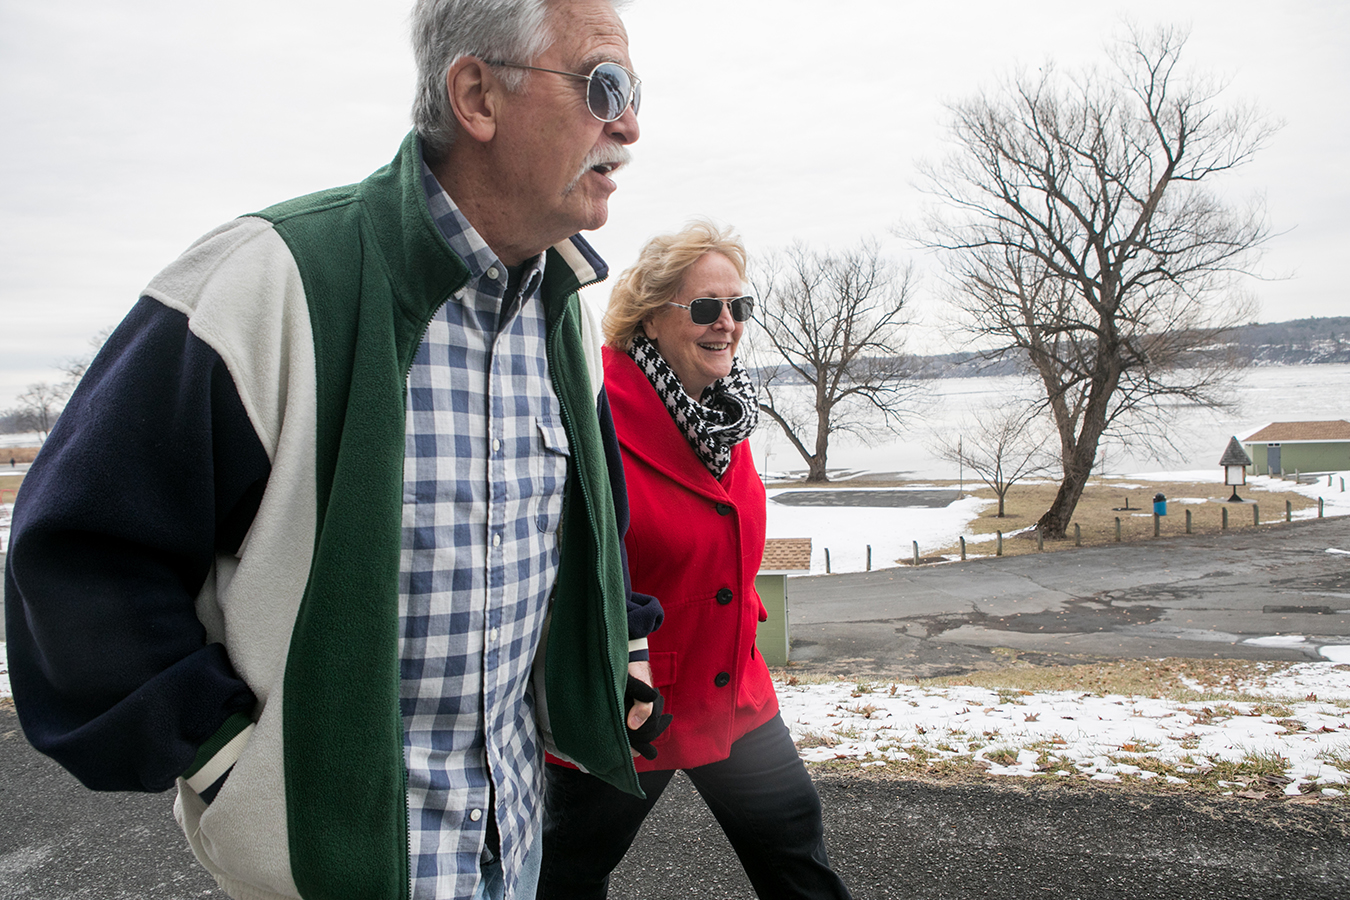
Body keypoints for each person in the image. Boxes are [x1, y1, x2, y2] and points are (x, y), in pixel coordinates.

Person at [2, 2, 665, 899]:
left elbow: (589, 521)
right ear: (476, 95)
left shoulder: (557, 311)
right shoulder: (267, 279)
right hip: (326, 873)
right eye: (604, 85)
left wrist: (616, 642)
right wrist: (230, 759)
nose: (629, 123)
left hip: (512, 854)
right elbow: (75, 555)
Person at [538, 222, 852, 899]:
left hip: (733, 687)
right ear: (651, 317)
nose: (728, 324)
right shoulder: (593, 414)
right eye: (706, 308)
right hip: (635, 704)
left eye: (740, 307)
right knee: (560, 875)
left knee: (797, 856)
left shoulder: (722, 415)